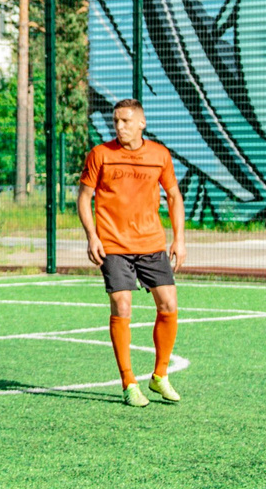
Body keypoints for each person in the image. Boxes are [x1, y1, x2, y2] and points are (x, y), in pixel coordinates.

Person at [76, 98, 187, 407]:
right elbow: (84, 197)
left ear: (142, 122)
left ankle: (160, 376)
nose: (119, 126)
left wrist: (179, 238)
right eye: (116, 121)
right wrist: (92, 236)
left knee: (169, 304)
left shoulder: (159, 155)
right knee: (122, 305)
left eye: (125, 121)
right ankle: (128, 382)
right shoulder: (100, 155)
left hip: (151, 243)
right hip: (112, 244)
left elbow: (174, 195)